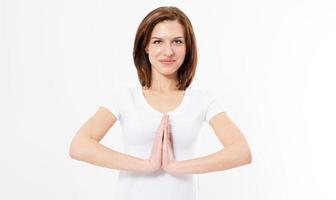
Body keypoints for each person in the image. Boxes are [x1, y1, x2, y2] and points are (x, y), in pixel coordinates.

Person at [69, 6, 252, 200]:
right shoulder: (124, 98)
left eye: (177, 42)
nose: (168, 51)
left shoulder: (203, 100)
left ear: (187, 47)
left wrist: (178, 167)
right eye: (158, 42)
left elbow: (241, 151)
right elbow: (79, 146)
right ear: (146, 46)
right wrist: (146, 164)